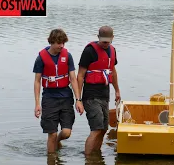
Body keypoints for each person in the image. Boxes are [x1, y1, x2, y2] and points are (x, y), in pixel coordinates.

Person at [33, 28, 84, 154]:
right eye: (58, 43)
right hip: (49, 98)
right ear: (51, 42)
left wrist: (78, 100)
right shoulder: (41, 58)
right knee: (52, 134)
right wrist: (37, 104)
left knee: (66, 132)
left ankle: (58, 141)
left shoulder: (67, 56)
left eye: (63, 43)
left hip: (65, 97)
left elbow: (73, 78)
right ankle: (51, 159)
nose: (61, 46)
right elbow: (37, 81)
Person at [77, 26, 121, 155]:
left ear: (112, 38)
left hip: (104, 95)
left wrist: (117, 90)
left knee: (104, 129)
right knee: (96, 128)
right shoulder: (89, 51)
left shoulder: (113, 51)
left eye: (108, 40)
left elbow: (112, 72)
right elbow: (80, 75)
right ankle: (88, 158)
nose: (106, 43)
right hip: (90, 96)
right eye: (103, 40)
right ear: (98, 37)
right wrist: (78, 99)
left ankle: (96, 154)